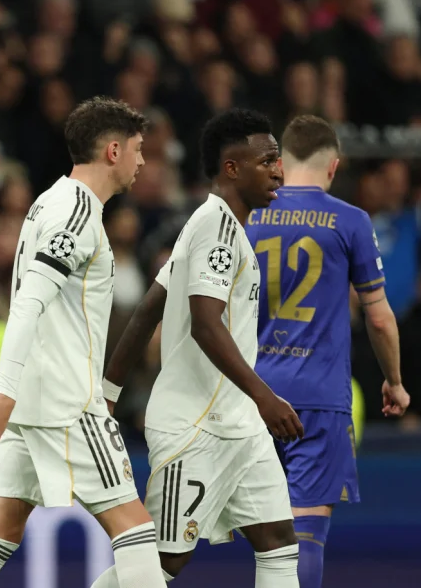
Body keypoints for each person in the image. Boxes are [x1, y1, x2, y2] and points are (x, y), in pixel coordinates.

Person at [0, 97, 166, 588]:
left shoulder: (51, 200)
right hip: (64, 402)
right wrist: (3, 396)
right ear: (113, 151)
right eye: (138, 149)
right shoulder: (76, 213)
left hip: (35, 397)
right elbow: (26, 304)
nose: (143, 161)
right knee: (136, 532)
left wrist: (13, 396)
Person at [102, 108, 302, 587]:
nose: (279, 170)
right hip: (195, 428)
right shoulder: (215, 228)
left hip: (241, 429)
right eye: (268, 159)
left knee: (278, 542)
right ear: (231, 167)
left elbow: (149, 309)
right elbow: (206, 326)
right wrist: (265, 397)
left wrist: (107, 390)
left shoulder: (217, 226)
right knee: (163, 562)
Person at [245, 115, 408, 588]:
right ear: (333, 166)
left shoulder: (247, 216)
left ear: (279, 163)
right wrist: (394, 381)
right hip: (316, 399)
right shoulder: (350, 220)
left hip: (250, 395)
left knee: (264, 539)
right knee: (305, 535)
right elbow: (378, 316)